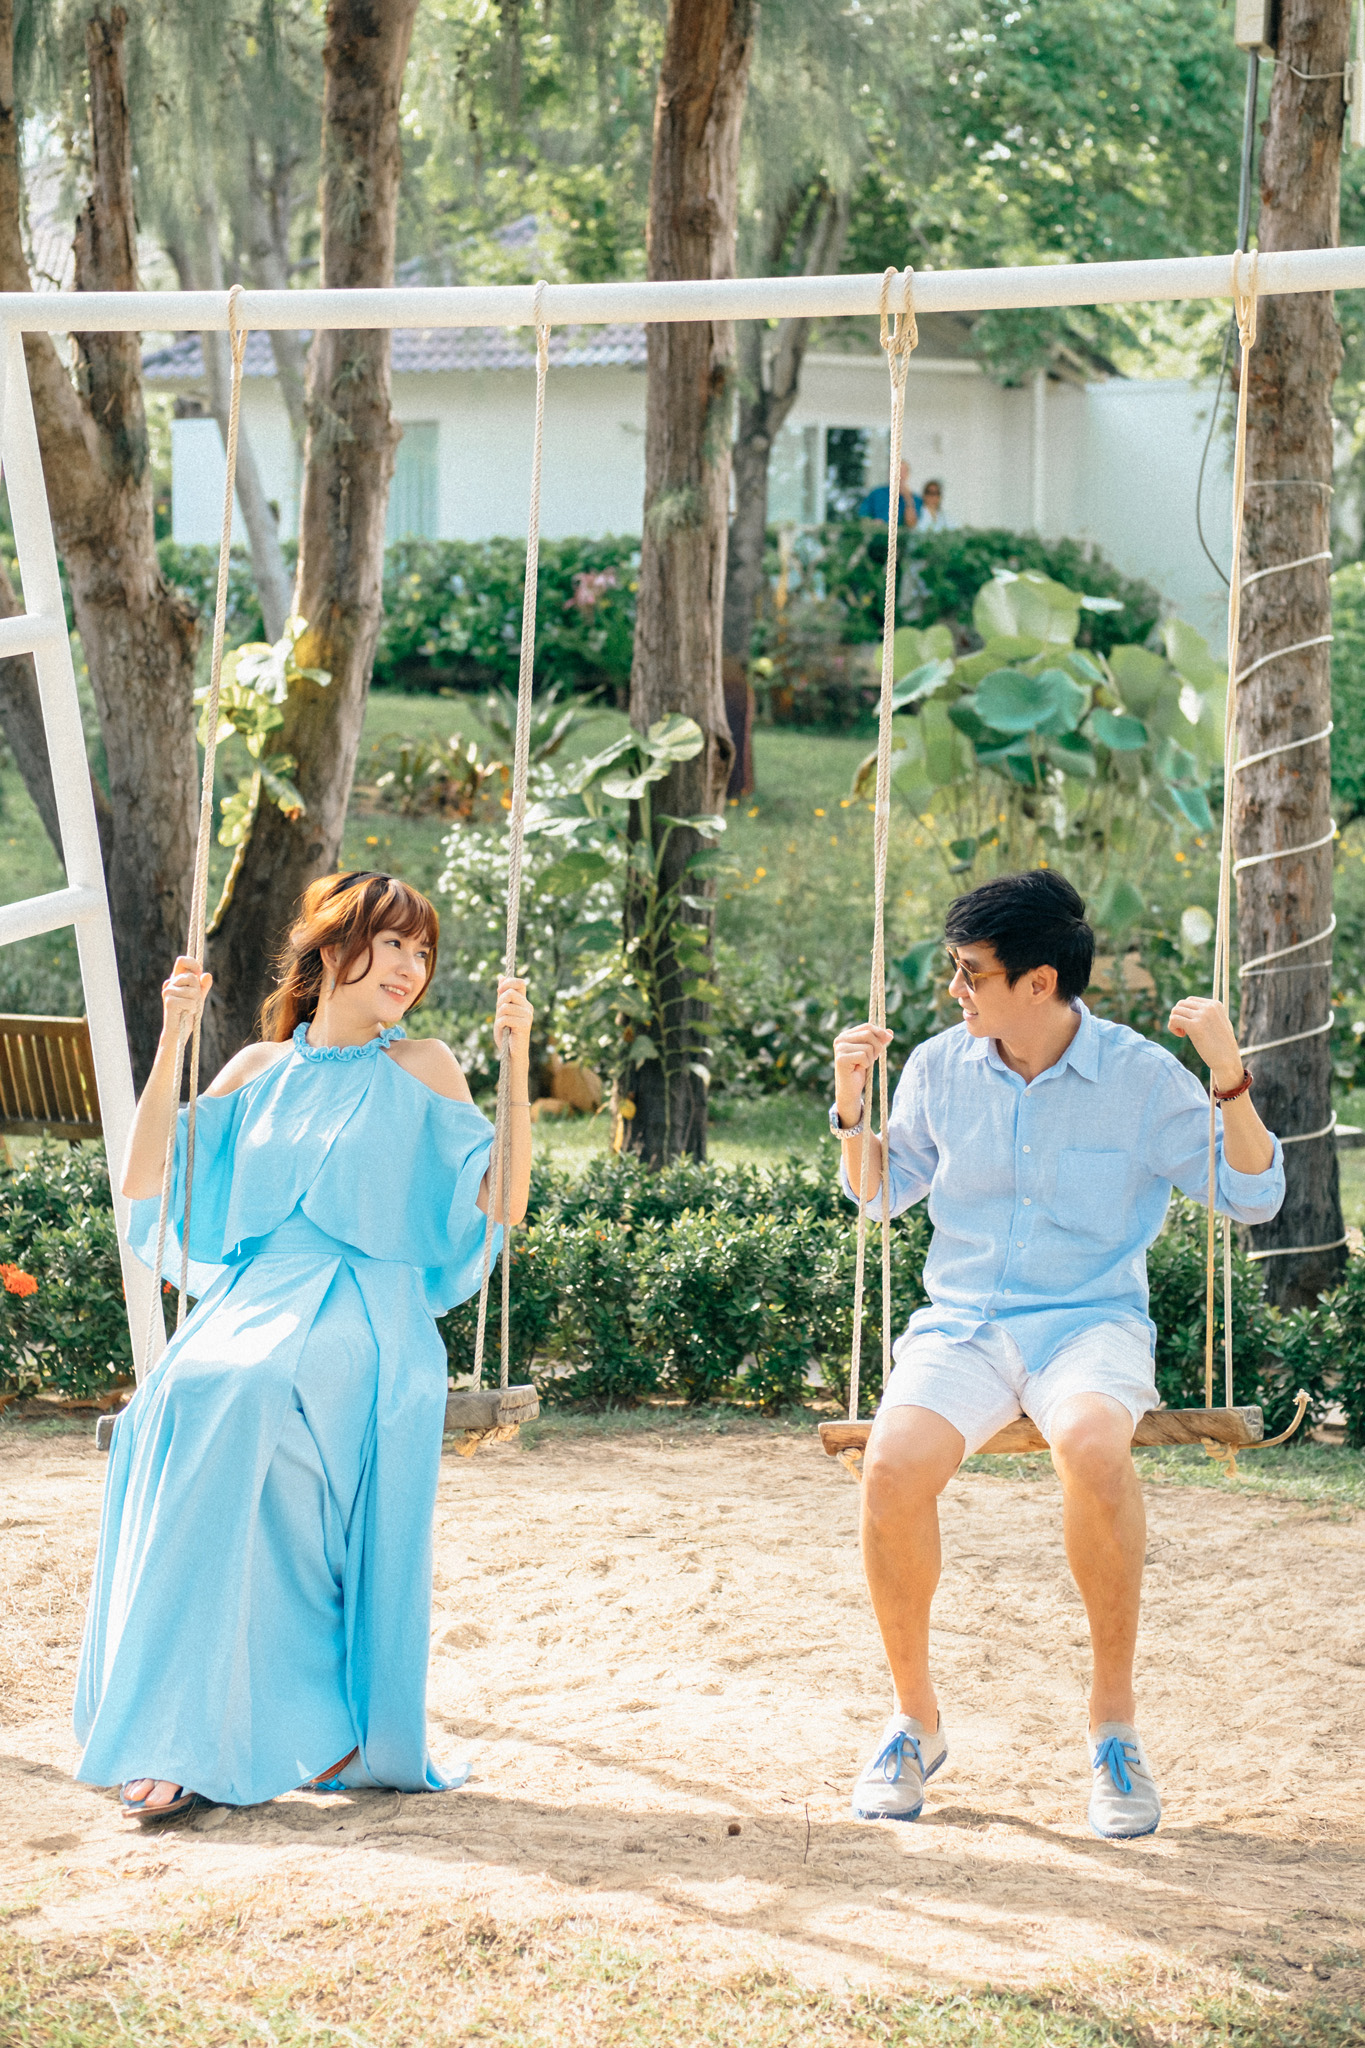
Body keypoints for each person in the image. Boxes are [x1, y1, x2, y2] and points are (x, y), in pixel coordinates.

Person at [829, 869, 1283, 1840]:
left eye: (971, 972)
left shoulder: (1138, 1077)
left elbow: (1253, 1195)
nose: (954, 988)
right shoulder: (939, 1066)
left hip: (1088, 1323)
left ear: (1039, 982)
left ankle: (1112, 1726)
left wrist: (1227, 1072)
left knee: (1089, 1444)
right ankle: (914, 1721)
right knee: (890, 1466)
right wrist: (850, 1107)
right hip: (965, 1324)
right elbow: (880, 1194)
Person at [75, 871, 534, 1824]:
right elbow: (145, 1175)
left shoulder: (425, 1066)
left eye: (421, 951)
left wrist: (517, 1061)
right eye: (391, 943)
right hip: (250, 1304)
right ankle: (241, 1724)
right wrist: (172, 1037)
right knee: (176, 1409)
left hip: (368, 1309)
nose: (409, 967)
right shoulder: (256, 1068)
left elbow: (503, 1204)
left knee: (242, 1394)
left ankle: (184, 1737)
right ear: (331, 951)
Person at [857, 457, 920, 529]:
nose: (899, 475)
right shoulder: (876, 493)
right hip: (877, 533)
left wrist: (908, 498)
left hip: (900, 535)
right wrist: (872, 523)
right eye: (896, 471)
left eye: (903, 471)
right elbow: (863, 516)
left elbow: (911, 524)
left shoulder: (915, 499)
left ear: (907, 475)